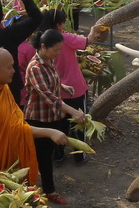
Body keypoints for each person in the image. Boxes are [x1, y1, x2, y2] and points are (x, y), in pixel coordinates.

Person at [0, 48, 68, 190]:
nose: (13, 71)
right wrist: (50, 132)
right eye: (9, 67)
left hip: (5, 149)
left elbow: (13, 121)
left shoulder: (1, 86)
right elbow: (15, 128)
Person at [24, 30, 87, 205]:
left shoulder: (48, 60)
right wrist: (73, 111)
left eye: (60, 50)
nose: (58, 54)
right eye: (56, 50)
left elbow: (53, 80)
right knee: (43, 157)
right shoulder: (35, 67)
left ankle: (41, 186)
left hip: (52, 116)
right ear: (43, 47)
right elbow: (49, 97)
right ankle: (49, 191)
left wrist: (63, 86)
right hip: (39, 118)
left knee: (48, 152)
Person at [34, 10, 105, 163]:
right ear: (59, 24)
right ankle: (80, 155)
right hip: (75, 88)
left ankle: (58, 155)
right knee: (80, 123)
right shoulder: (65, 38)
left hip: (56, 90)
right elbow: (88, 41)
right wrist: (93, 30)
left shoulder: (42, 41)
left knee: (59, 125)